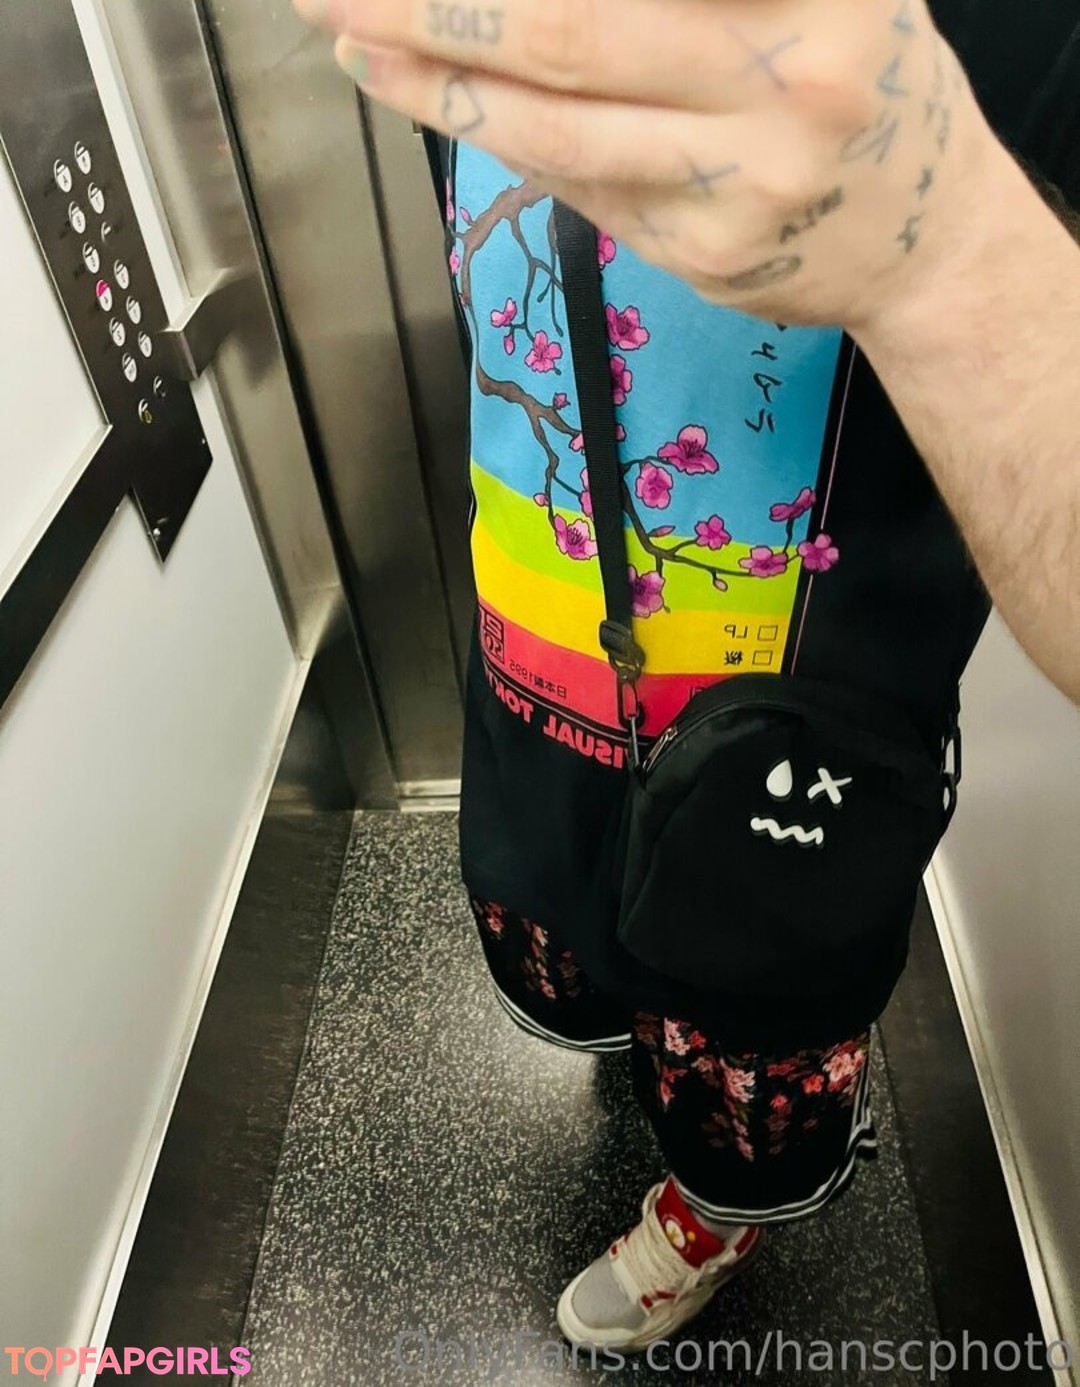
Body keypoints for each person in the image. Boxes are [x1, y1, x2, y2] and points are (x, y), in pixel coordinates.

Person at [295, 0, 1079, 1352]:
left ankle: (714, 1216)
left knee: (743, 1027)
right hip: (542, 628)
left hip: (790, 725)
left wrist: (940, 245)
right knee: (587, 946)